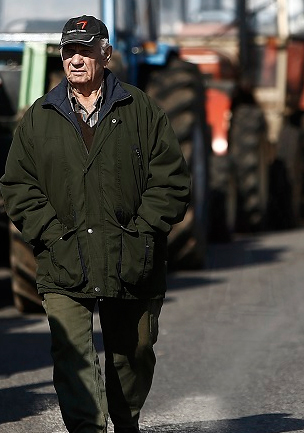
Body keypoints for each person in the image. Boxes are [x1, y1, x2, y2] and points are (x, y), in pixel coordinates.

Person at [0, 15, 190, 433]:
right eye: (69, 51)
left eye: (85, 51)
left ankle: (125, 421)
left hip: (131, 256)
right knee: (72, 355)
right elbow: (17, 185)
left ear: (106, 55)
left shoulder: (141, 110)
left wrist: (143, 233)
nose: (76, 59)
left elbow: (171, 181)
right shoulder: (39, 116)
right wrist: (52, 236)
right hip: (64, 257)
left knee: (134, 352)